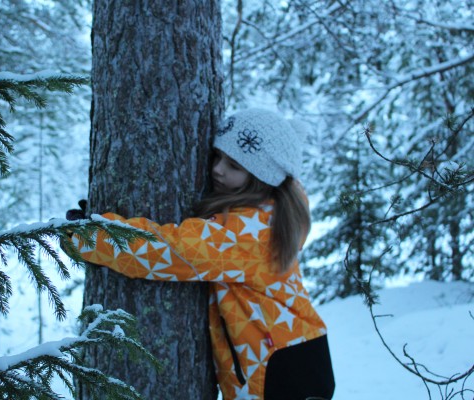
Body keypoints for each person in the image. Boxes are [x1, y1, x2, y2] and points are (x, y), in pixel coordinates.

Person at [62, 108, 335, 399]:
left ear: (262, 176)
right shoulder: (272, 211)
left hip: (279, 367)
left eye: (235, 165)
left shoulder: (249, 233)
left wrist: (91, 236)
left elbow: (170, 252)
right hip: (294, 351)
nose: (217, 169)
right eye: (218, 156)